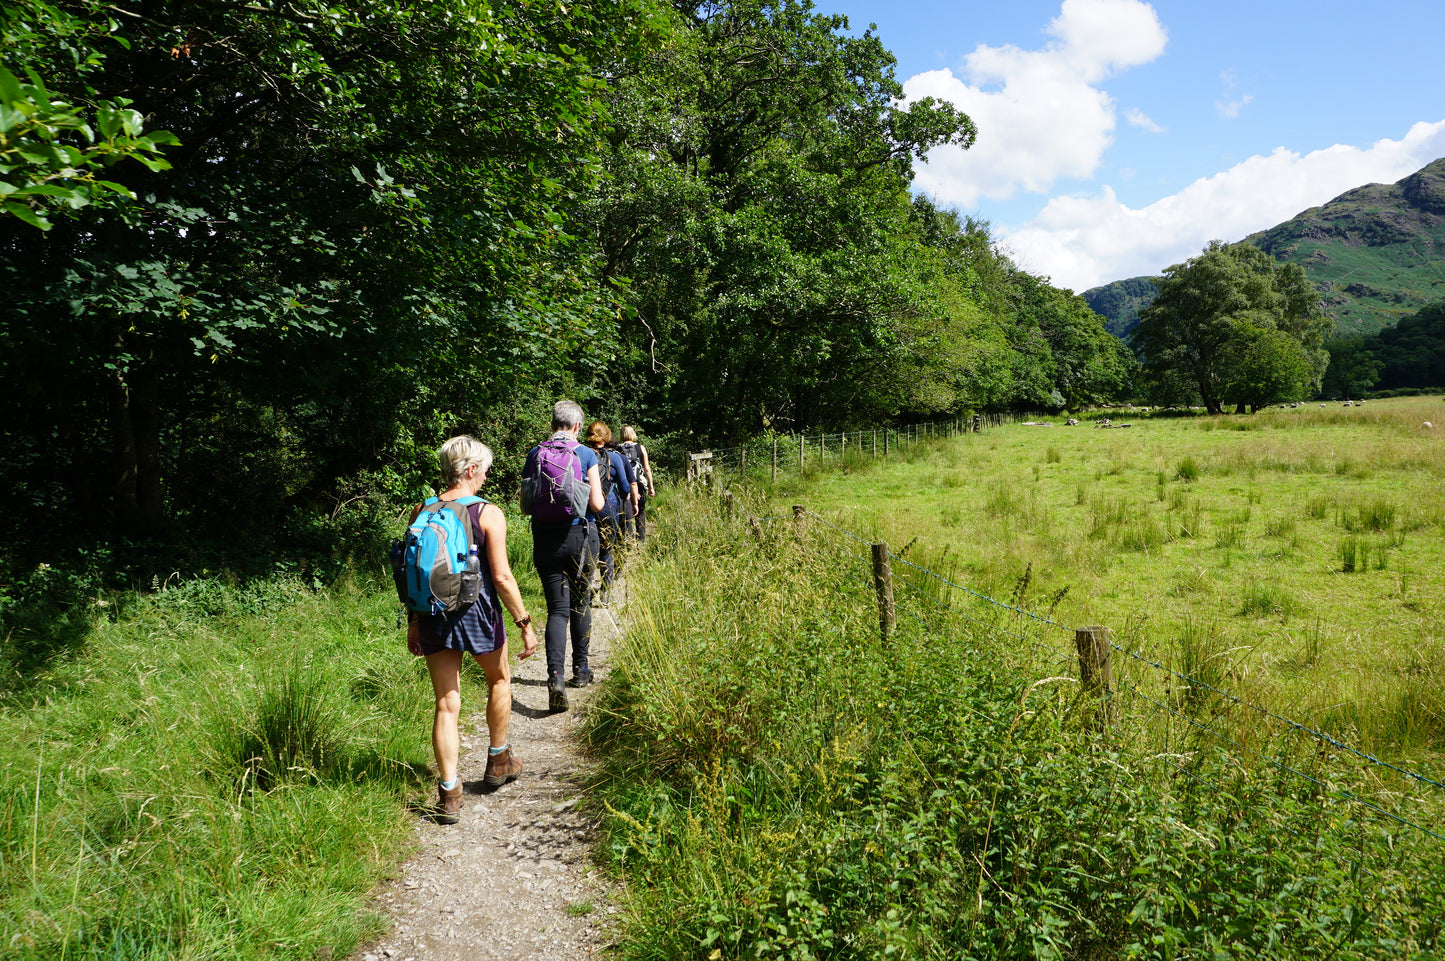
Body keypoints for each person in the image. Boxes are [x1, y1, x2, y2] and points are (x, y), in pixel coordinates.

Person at [406, 435, 538, 825]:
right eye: (483, 471)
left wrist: (414, 622)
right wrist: (524, 624)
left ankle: (448, 795)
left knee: (446, 703)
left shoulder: (423, 509)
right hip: (476, 610)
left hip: (432, 612)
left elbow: (415, 572)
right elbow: (500, 575)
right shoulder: (488, 513)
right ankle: (498, 761)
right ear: (470, 470)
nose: (484, 477)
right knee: (499, 680)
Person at [520, 401, 605, 710]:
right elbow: (596, 504)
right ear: (577, 427)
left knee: (557, 610)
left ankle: (555, 677)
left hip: (546, 540)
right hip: (581, 537)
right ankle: (581, 672)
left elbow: (524, 506)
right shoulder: (585, 454)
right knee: (580, 604)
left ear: (553, 423)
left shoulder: (534, 454)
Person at [585, 421, 631, 609]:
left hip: (586, 504)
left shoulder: (581, 453)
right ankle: (605, 591)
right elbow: (625, 486)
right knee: (607, 548)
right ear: (607, 437)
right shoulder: (615, 457)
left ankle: (583, 590)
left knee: (586, 549)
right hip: (608, 505)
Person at [618, 426, 656, 542]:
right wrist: (651, 487)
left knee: (626, 512)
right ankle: (641, 540)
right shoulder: (640, 448)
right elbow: (647, 468)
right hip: (638, 483)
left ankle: (628, 539)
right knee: (641, 512)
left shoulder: (617, 449)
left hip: (624, 484)